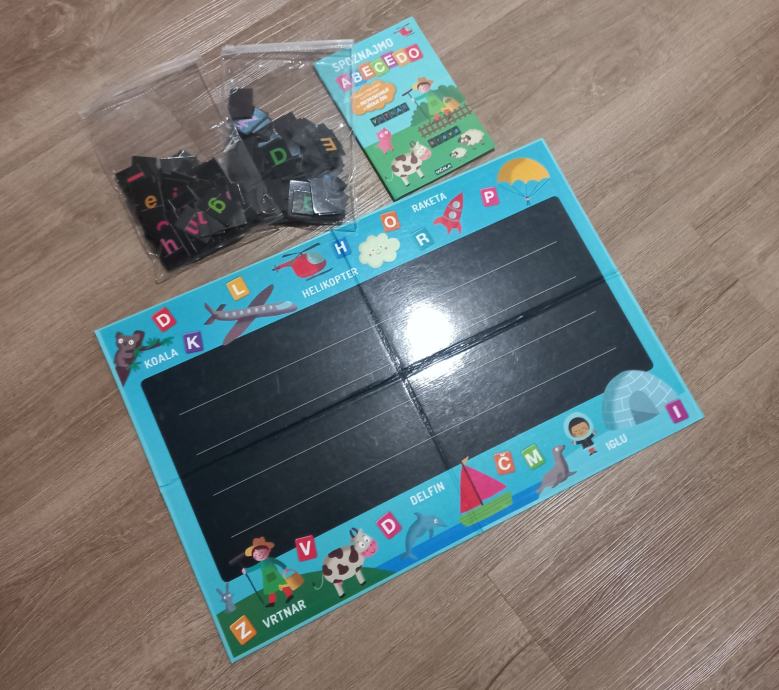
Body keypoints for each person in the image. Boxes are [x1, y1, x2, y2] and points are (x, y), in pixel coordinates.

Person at [241, 537, 293, 607]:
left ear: (268, 550)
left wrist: (284, 567)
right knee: (271, 590)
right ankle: (272, 602)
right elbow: (254, 568)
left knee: (283, 585)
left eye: (261, 553)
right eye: (256, 555)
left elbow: (278, 562)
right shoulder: (260, 564)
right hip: (267, 579)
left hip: (275, 575)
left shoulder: (270, 559)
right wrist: (246, 570)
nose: (259, 555)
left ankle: (289, 595)